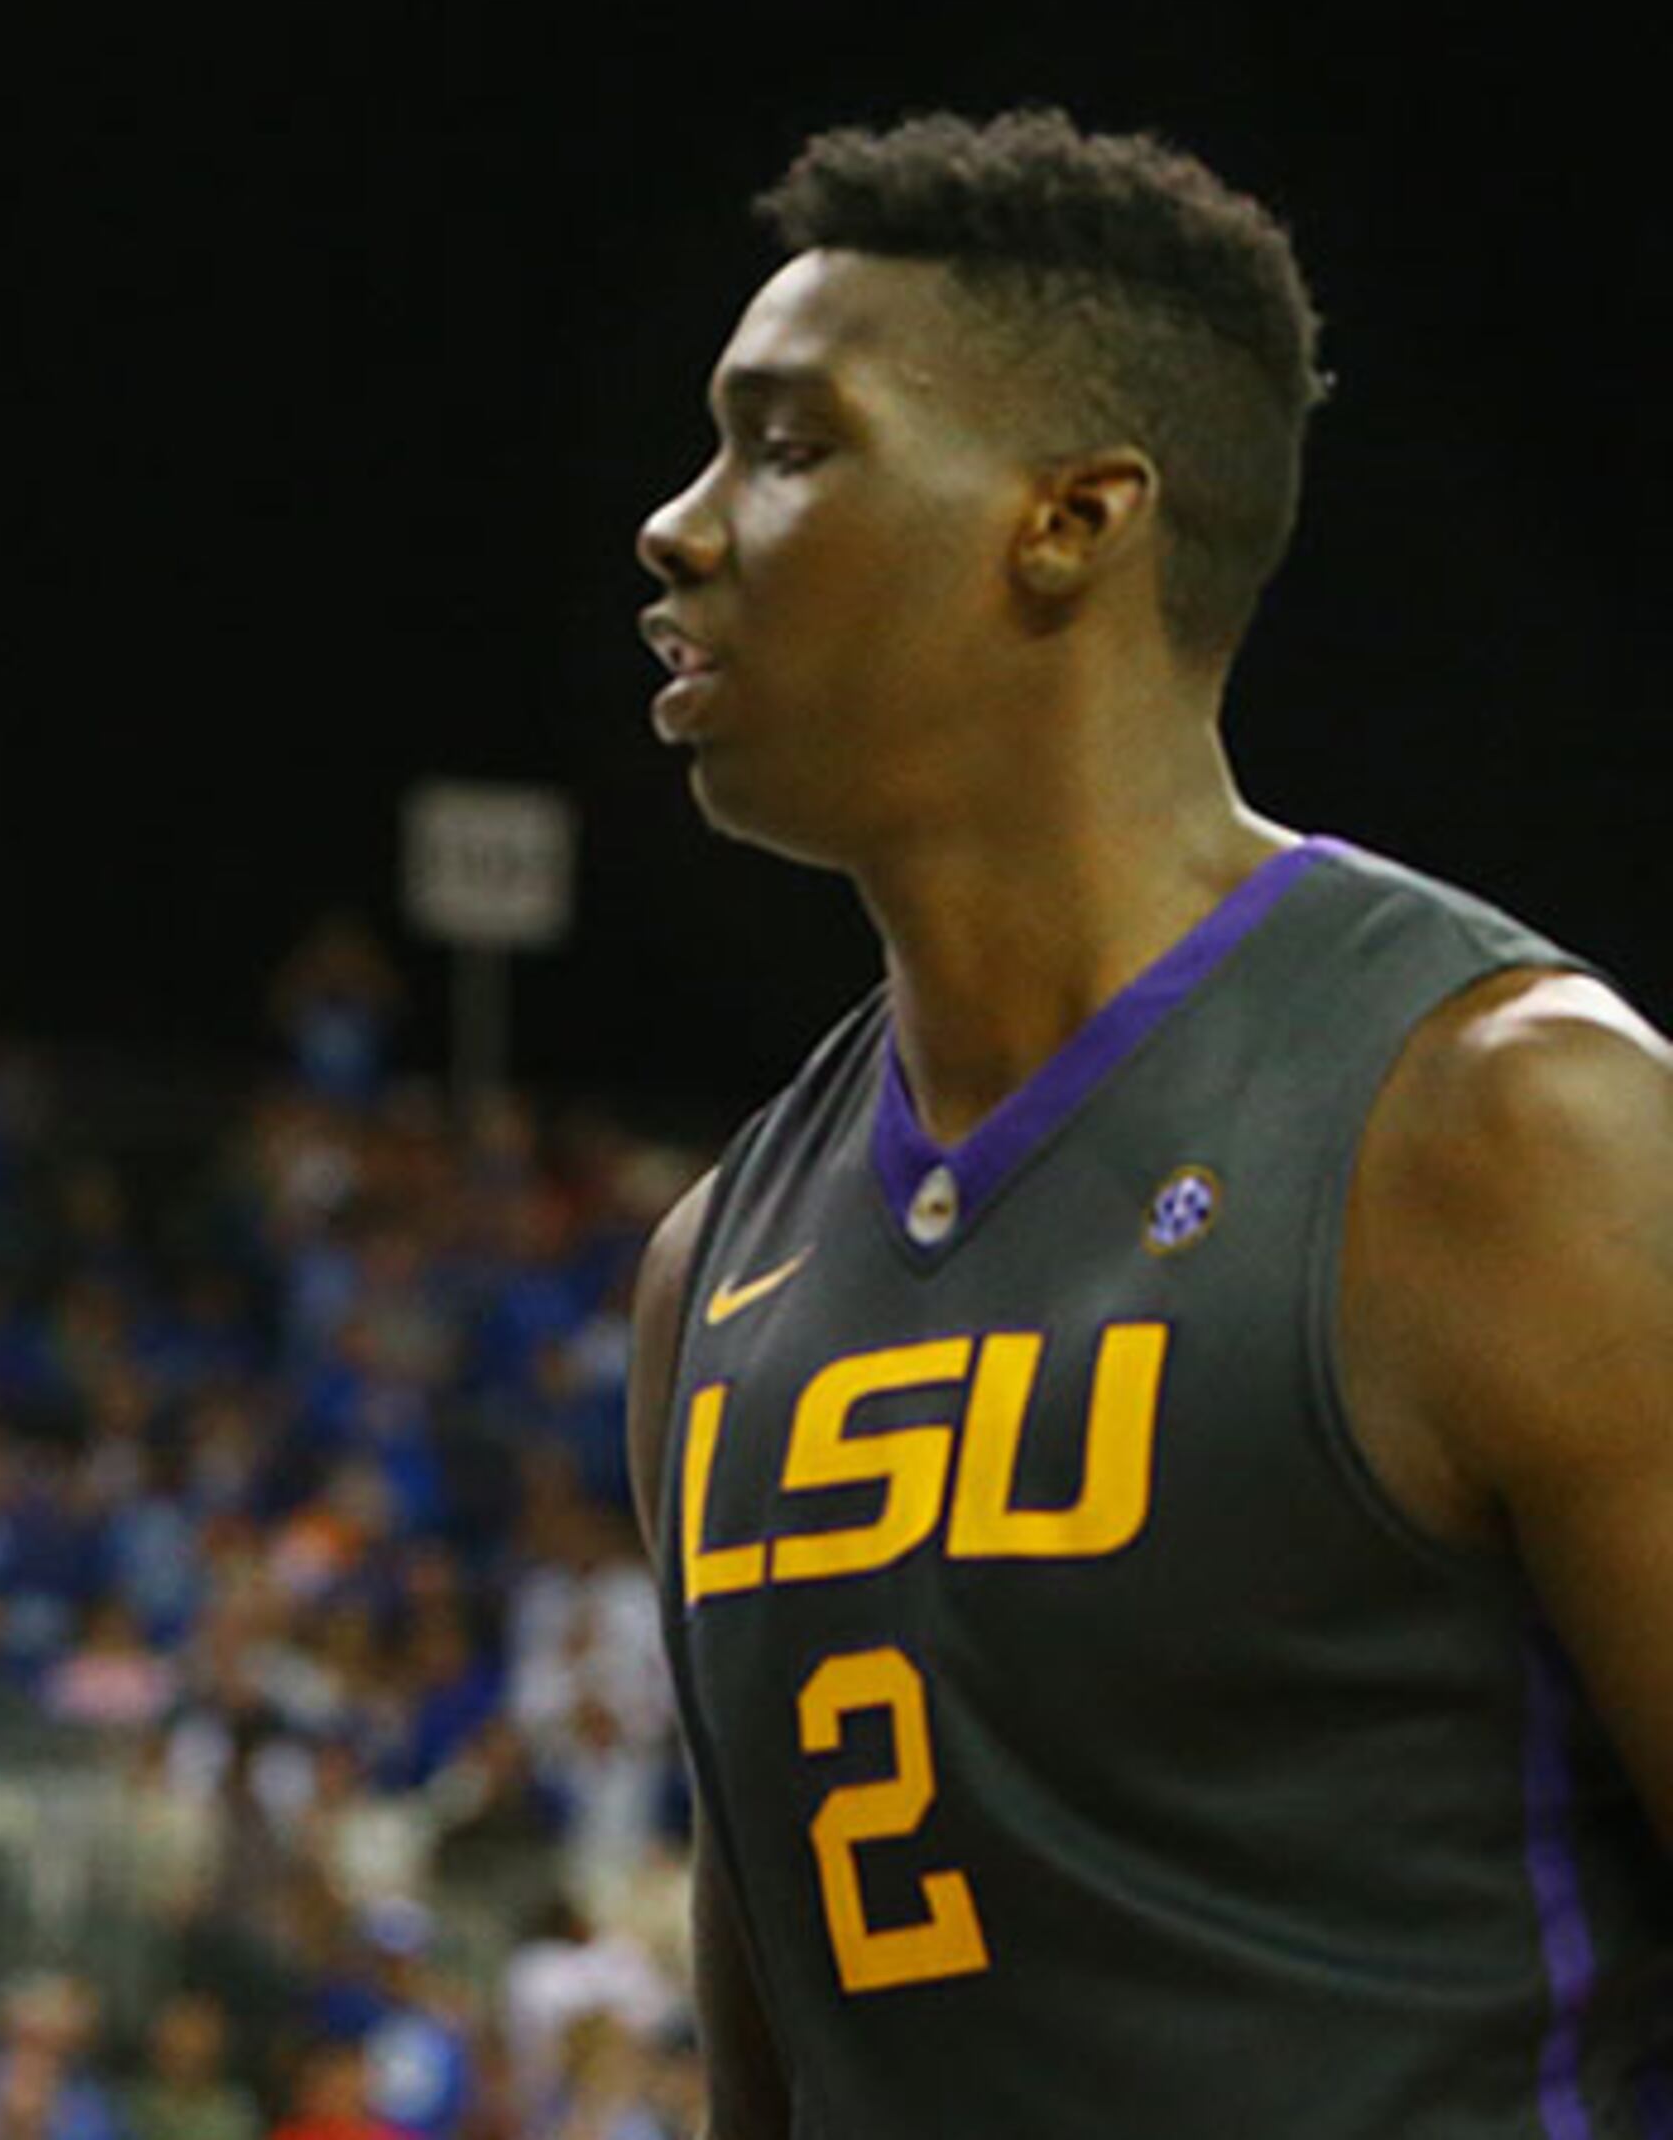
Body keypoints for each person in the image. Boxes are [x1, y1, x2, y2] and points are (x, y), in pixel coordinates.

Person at [622, 108, 1672, 2132]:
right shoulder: (711, 1272)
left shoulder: (1508, 1127)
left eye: (791, 442)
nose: (682, 525)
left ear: (1073, 520)